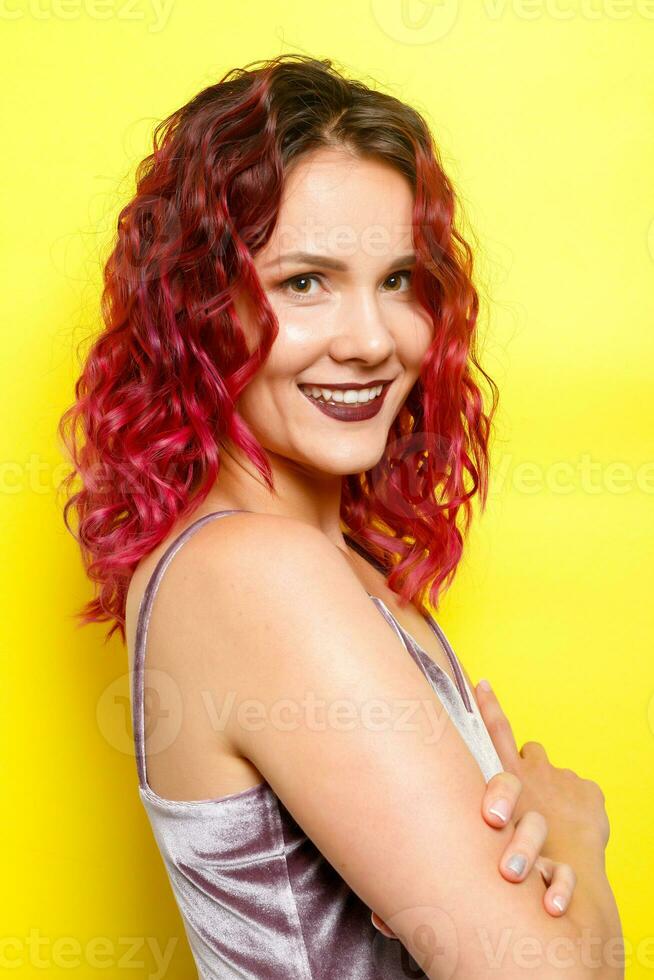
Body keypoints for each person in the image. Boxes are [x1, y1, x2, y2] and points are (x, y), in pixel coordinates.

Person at [58, 54, 623, 978]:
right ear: (202, 308)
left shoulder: (331, 560)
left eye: (398, 280)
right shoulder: (255, 573)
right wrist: (582, 847)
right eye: (305, 282)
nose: (370, 342)